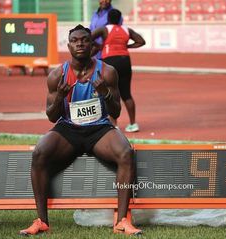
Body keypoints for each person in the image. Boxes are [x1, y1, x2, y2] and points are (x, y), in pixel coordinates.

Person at [20, 24, 142, 236]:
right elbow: (51, 116)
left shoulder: (107, 71)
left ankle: (122, 220)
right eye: (75, 40)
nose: (80, 44)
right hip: (69, 127)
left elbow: (116, 111)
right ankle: (41, 221)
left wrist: (105, 93)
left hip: (100, 128)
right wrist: (59, 96)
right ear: (68, 45)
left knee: (125, 152)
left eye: (84, 40)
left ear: (91, 44)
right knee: (39, 152)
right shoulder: (57, 75)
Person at [92, 9, 145, 132]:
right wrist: (127, 46)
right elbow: (141, 41)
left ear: (108, 19)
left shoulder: (104, 29)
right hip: (125, 60)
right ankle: (133, 124)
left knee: (110, 92)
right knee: (126, 93)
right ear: (120, 19)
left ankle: (114, 124)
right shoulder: (127, 30)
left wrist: (100, 46)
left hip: (110, 61)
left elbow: (88, 37)